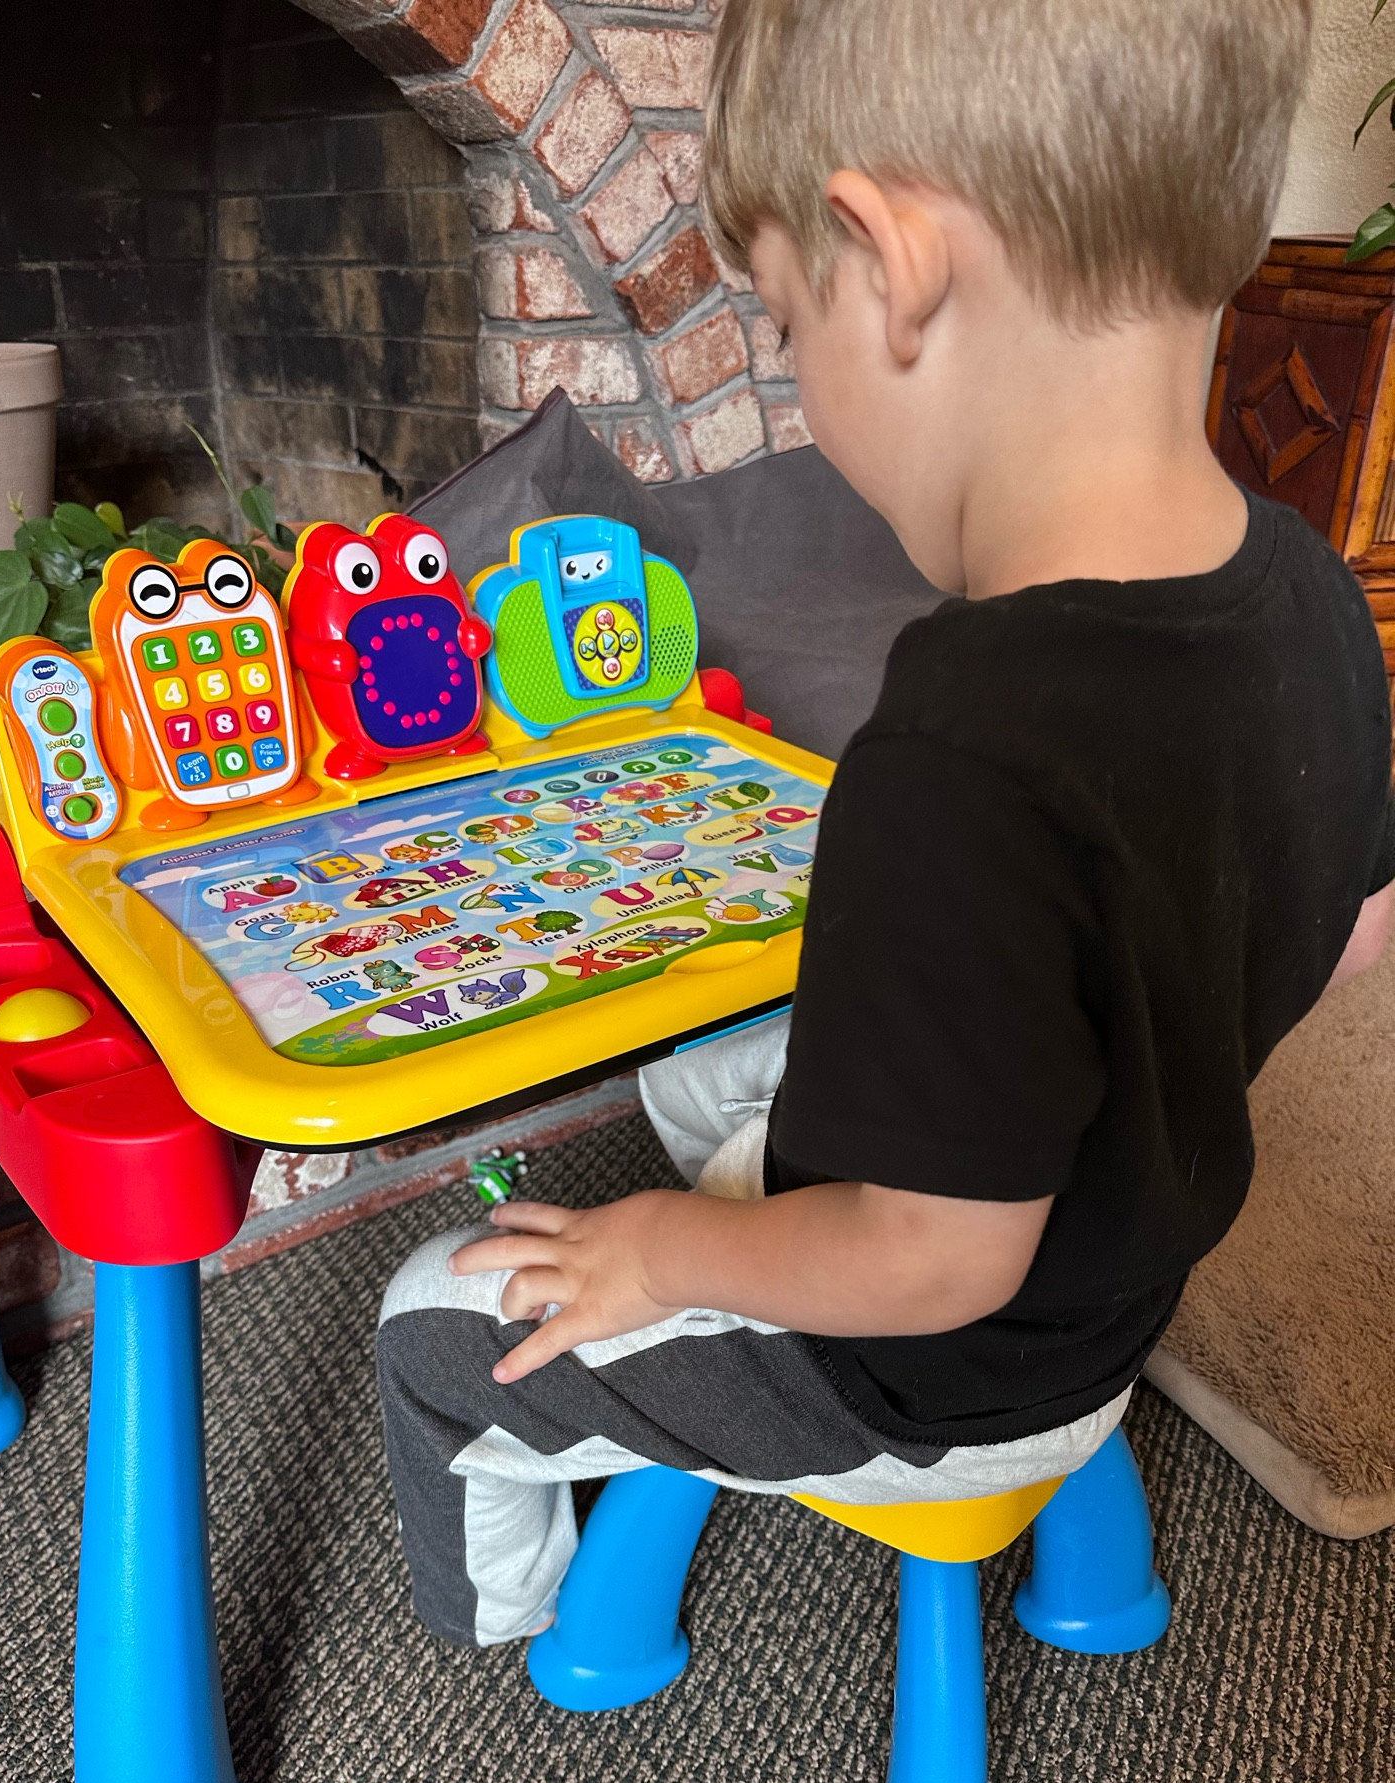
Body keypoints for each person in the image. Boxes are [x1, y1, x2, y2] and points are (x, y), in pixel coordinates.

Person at [376, 0, 1395, 1648]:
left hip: (941, 1370)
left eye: (784, 324)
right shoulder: (1313, 598)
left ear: (895, 262)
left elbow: (933, 1266)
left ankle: (508, 1616)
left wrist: (663, 1250)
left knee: (434, 1328)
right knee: (705, 1061)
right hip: (1131, 1272)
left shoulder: (956, 744)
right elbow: (1350, 936)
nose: (797, 380)